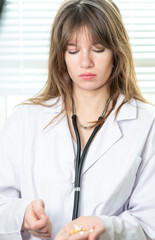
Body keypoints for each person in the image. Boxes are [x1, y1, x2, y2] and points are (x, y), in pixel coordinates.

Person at [0, 0, 155, 239]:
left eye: (98, 49)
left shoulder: (146, 124)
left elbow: (150, 222)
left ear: (116, 51)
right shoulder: (24, 120)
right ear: (61, 55)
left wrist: (108, 229)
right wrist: (22, 216)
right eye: (73, 50)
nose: (85, 62)